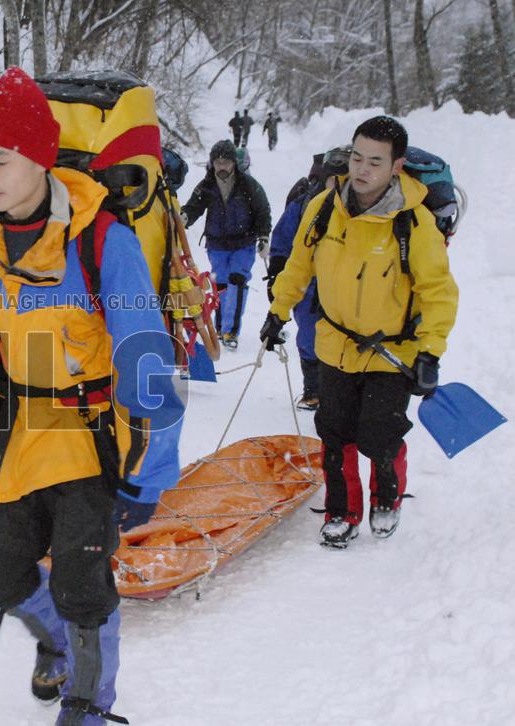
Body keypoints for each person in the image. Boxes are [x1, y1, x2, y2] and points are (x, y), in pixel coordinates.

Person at [0, 67, 184, 725]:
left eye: (3, 158)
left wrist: (147, 476)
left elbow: (145, 357)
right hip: (9, 431)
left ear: (41, 159)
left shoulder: (102, 239)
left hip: (85, 439)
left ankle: (88, 700)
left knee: (83, 587)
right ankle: (53, 640)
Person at [260, 116, 457, 548]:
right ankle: (341, 511)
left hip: (393, 351)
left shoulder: (414, 223)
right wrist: (277, 312)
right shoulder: (324, 208)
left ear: (396, 166)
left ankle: (386, 499)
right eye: (356, 157)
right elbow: (298, 266)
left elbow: (439, 293)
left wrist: (431, 352)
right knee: (335, 433)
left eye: (375, 161)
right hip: (336, 344)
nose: (362, 169)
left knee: (378, 434)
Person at [266, 145, 350, 410]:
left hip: (345, 286)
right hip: (308, 286)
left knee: (342, 341)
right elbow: (283, 240)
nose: (336, 186)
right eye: (332, 179)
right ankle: (313, 390)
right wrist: (277, 275)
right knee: (309, 337)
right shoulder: (305, 203)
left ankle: (338, 394)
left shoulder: (359, 207)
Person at [181, 139, 271, 350]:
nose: (222, 166)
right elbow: (194, 207)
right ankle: (220, 327)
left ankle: (232, 330)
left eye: (226, 162)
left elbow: (262, 211)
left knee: (237, 281)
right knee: (220, 284)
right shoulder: (207, 185)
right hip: (217, 244)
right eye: (218, 162)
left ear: (234, 164)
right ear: (212, 163)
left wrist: (263, 237)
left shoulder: (248, 185)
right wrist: (184, 217)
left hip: (243, 242)